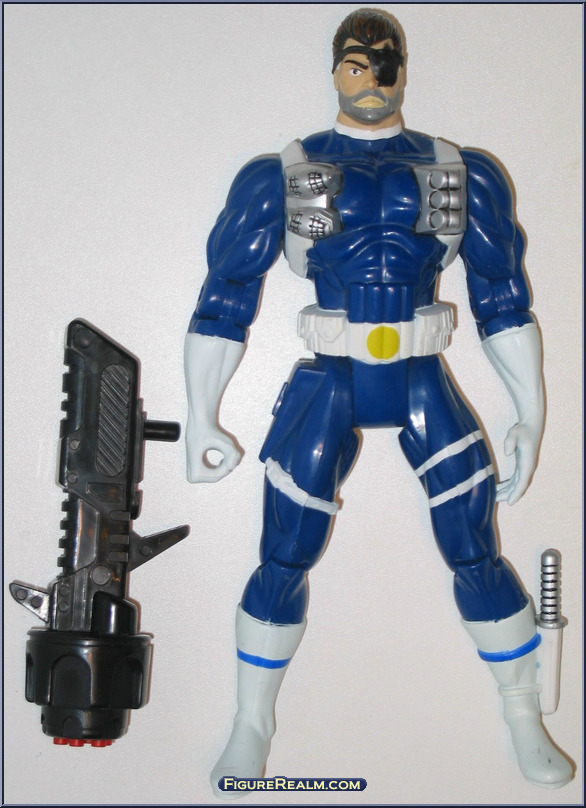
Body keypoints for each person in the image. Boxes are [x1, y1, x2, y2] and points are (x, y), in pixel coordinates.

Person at [184, 8, 573, 796]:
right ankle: (252, 721)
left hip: (423, 374)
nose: (373, 77)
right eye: (358, 62)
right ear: (336, 68)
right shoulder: (287, 174)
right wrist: (200, 413)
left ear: (404, 68)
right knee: (284, 549)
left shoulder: (454, 170)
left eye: (386, 61)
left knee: (473, 546)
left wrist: (531, 412)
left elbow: (501, 297)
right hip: (331, 375)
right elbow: (225, 297)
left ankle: (523, 712)